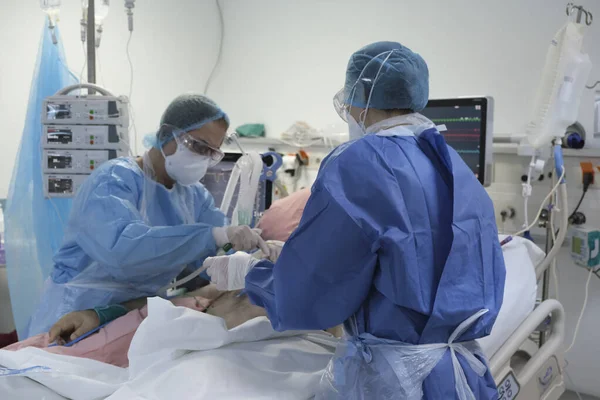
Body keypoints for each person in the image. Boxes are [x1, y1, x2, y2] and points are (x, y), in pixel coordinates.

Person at [203, 41, 506, 399]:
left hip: (396, 380)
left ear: (360, 99)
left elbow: (312, 293)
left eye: (349, 99)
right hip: (458, 376)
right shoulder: (450, 162)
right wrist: (295, 255)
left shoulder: (359, 163)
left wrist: (249, 273)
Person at [25, 94, 268, 339]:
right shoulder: (113, 181)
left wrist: (255, 253)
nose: (204, 158)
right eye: (199, 146)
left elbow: (209, 261)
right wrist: (213, 236)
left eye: (212, 153)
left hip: (131, 314)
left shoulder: (194, 196)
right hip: (75, 312)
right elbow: (122, 252)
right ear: (167, 134)